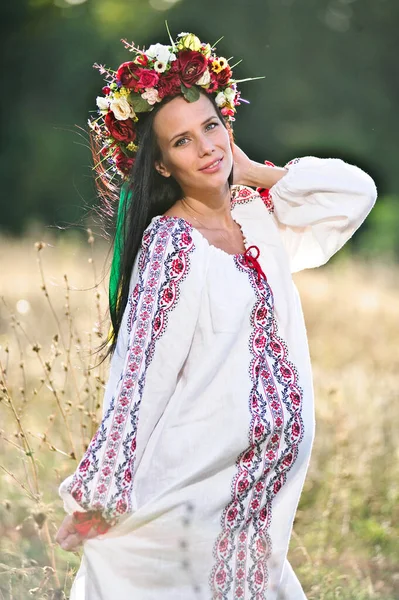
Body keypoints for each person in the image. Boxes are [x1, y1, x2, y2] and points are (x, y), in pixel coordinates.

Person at [55, 30, 377, 600]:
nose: (206, 147)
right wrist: (99, 494)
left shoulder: (259, 217)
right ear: (160, 165)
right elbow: (138, 377)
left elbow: (356, 194)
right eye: (182, 141)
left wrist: (253, 173)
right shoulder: (173, 244)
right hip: (195, 491)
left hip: (259, 507)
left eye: (211, 126)